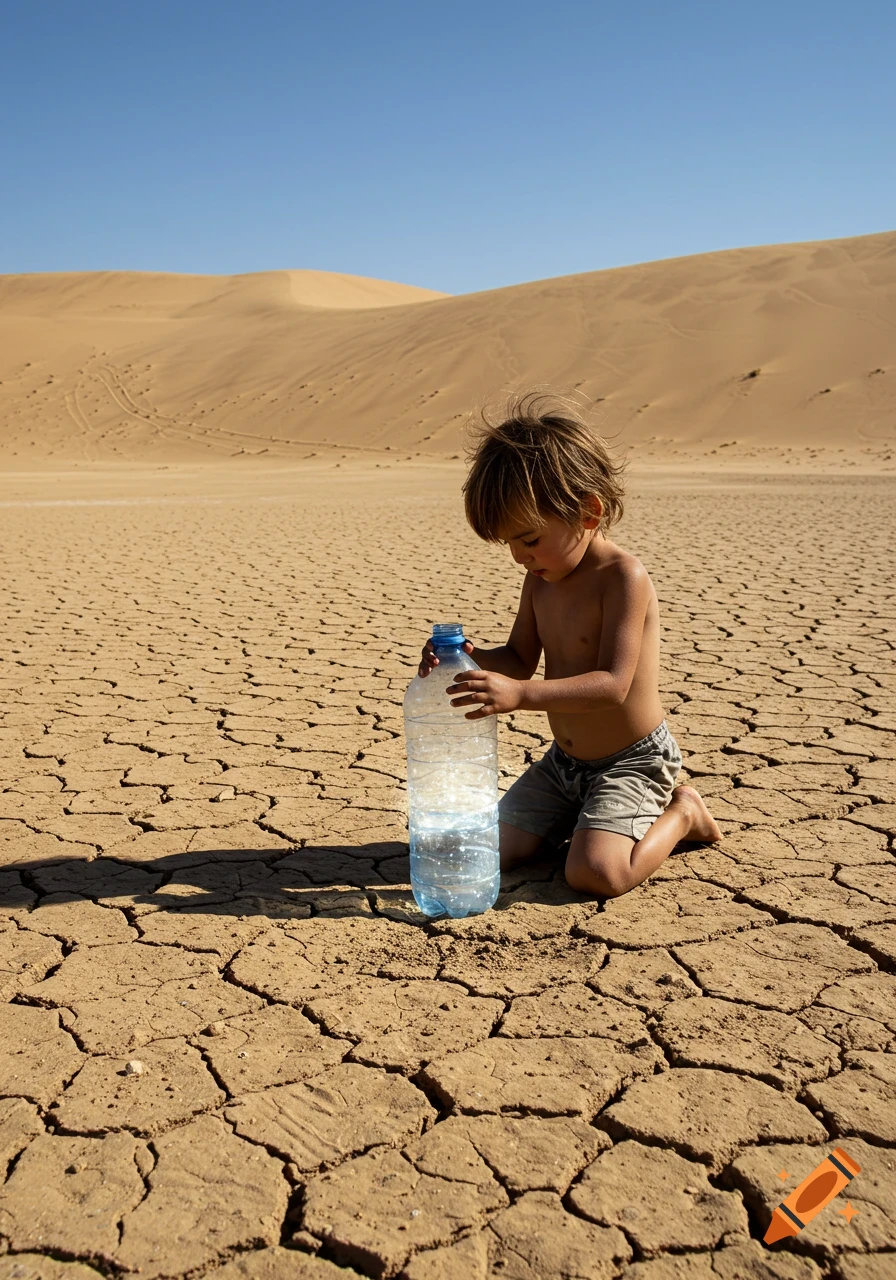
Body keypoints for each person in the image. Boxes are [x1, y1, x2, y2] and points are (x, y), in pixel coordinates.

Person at [418, 389, 722, 898]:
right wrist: (464, 656)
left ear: (587, 511)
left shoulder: (623, 578)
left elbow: (613, 686)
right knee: (487, 848)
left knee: (596, 874)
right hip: (563, 764)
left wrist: (522, 696)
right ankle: (583, 820)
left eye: (529, 539)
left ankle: (683, 813)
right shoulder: (540, 580)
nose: (519, 556)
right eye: (509, 543)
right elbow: (517, 659)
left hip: (632, 761)